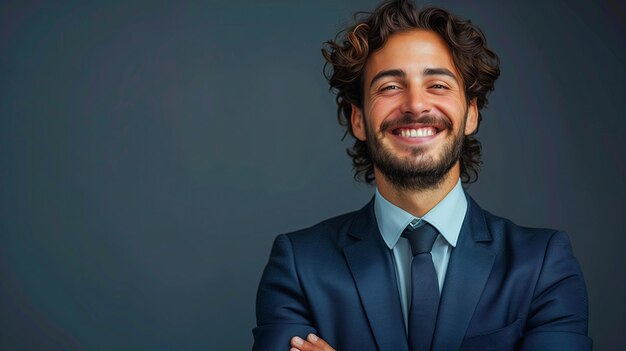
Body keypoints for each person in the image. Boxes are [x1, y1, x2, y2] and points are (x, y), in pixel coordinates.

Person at [252, 1, 591, 350]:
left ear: (471, 114)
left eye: (438, 85)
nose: (415, 105)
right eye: (389, 87)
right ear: (358, 120)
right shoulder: (299, 265)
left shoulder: (543, 265)